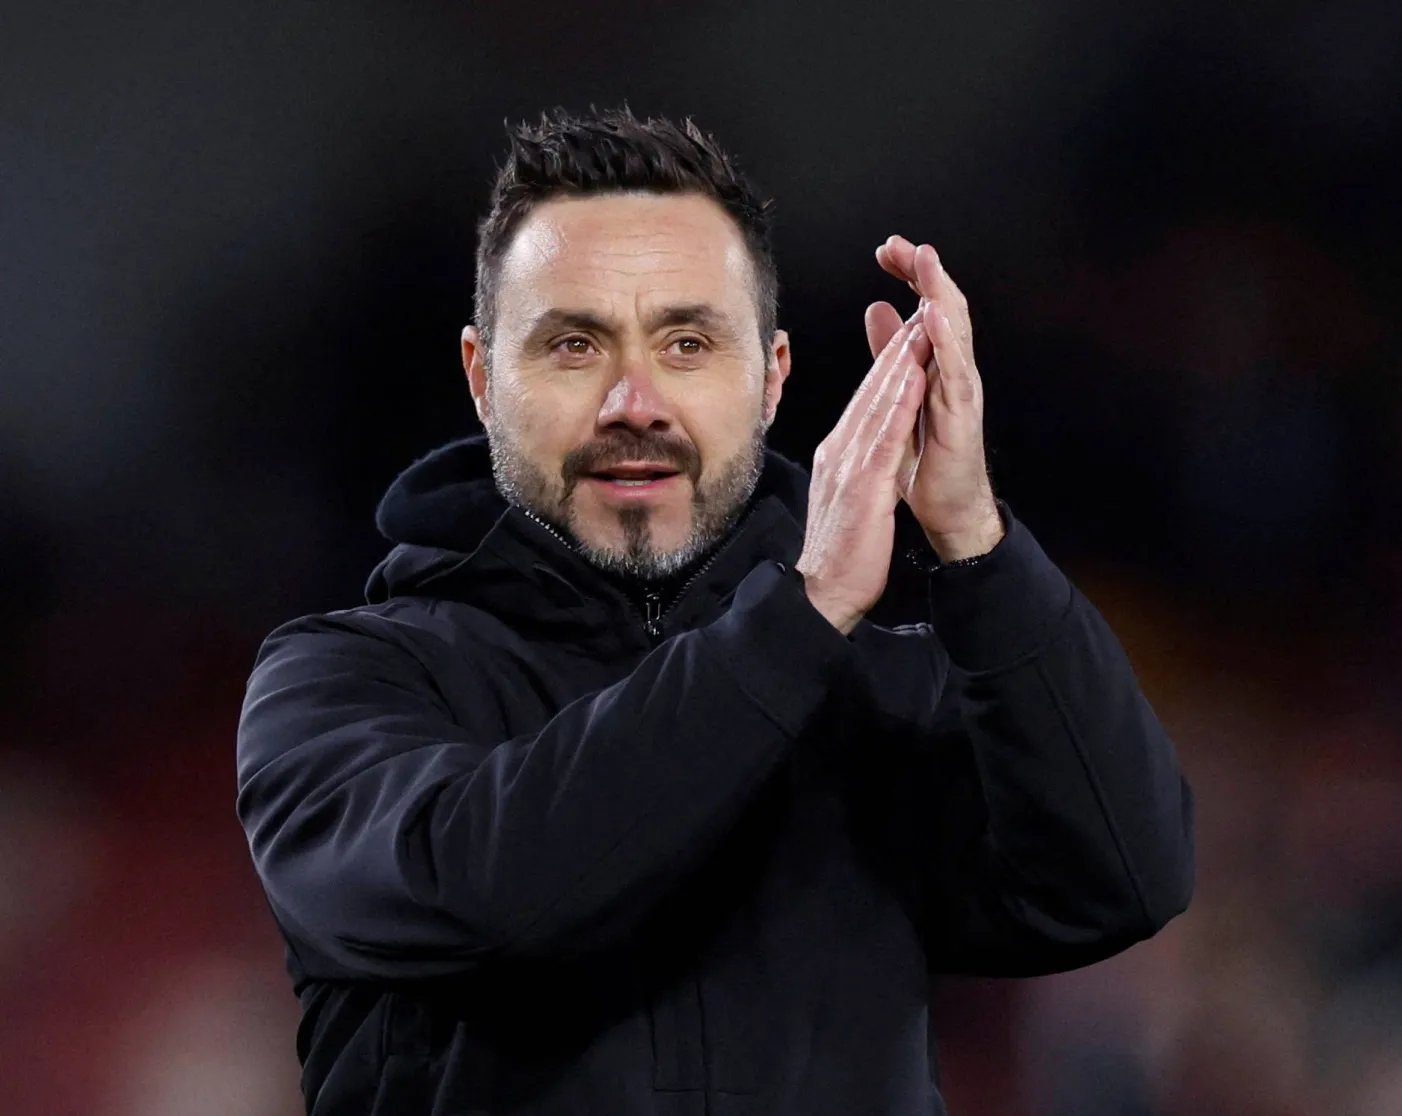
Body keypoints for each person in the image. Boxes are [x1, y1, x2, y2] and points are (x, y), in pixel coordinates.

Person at [235, 106, 1194, 1116]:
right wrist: (800, 615)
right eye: (574, 345)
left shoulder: (871, 690)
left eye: (688, 342)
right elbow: (505, 892)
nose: (634, 401)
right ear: (482, 379)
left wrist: (973, 539)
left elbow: (1121, 879)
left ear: (773, 380)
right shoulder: (343, 684)